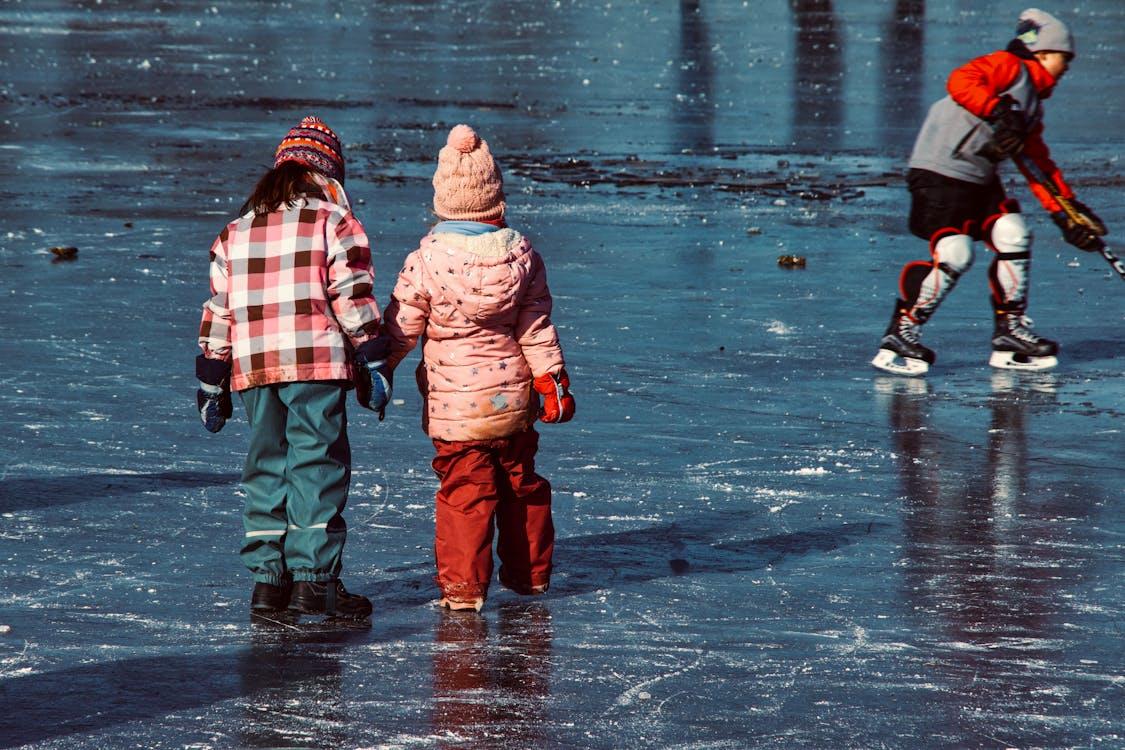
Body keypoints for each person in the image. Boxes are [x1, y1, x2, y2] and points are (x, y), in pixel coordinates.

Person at [195, 116, 392, 620]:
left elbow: (220, 308)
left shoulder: (236, 232)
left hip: (255, 368)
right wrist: (374, 357)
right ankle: (314, 584)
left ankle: (268, 584)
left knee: (265, 465)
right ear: (327, 174)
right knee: (316, 465)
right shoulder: (334, 221)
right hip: (315, 363)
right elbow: (352, 298)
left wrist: (211, 378)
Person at [382, 124, 576, 612]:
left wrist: (377, 367)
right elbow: (536, 327)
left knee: (466, 493)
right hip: (511, 402)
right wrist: (551, 381)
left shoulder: (425, 259)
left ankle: (465, 590)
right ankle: (530, 576)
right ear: (495, 200)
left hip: (456, 409)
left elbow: (403, 326)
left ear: (443, 203)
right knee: (519, 481)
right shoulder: (522, 256)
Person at [872, 8, 1107, 376]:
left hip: (978, 177)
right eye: (1065, 59)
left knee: (1013, 231)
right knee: (956, 251)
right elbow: (961, 80)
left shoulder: (1031, 105)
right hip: (939, 169)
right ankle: (903, 330)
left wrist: (1066, 211)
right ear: (1043, 53)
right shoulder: (1009, 66)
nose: (1067, 68)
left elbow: (1037, 164)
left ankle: (1009, 332)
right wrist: (998, 110)